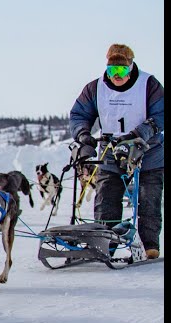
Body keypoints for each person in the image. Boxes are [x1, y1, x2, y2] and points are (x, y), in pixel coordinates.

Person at [68, 43, 164, 259]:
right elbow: (79, 115)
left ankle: (149, 245)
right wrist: (83, 135)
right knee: (106, 196)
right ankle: (105, 244)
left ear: (130, 68)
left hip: (148, 150)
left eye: (121, 70)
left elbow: (161, 114)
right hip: (110, 150)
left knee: (149, 198)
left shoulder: (149, 85)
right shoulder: (95, 88)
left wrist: (140, 133)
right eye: (112, 71)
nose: (116, 75)